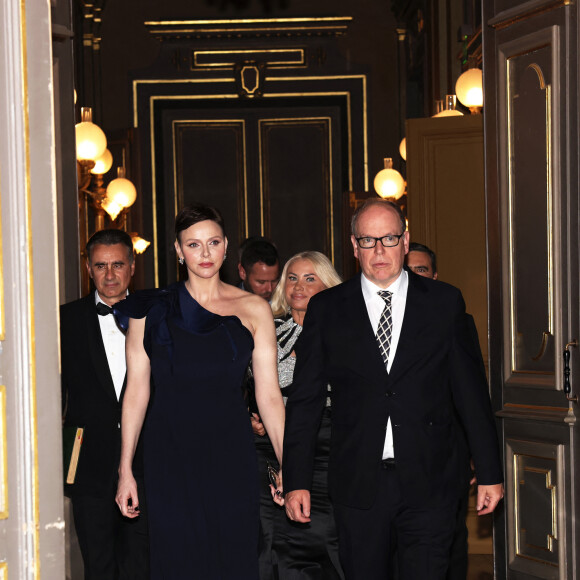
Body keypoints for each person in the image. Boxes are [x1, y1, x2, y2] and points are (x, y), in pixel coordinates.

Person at [283, 198, 504, 579]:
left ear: (405, 239)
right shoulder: (329, 308)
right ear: (354, 247)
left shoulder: (444, 302)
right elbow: (306, 400)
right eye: (368, 241)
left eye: (388, 238)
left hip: (432, 478)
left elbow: (471, 394)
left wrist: (489, 471)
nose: (379, 250)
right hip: (358, 483)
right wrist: (296, 480)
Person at [114, 204, 285, 579]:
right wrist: (125, 468)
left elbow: (269, 395)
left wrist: (287, 461)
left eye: (213, 243)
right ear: (178, 250)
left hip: (231, 454)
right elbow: (136, 392)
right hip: (168, 455)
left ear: (226, 248)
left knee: (233, 559)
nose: (204, 254)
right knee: (178, 562)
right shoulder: (149, 310)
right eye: (193, 245)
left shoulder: (254, 309)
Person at [248, 251, 345, 580]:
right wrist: (251, 414)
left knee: (322, 540)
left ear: (328, 285)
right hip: (266, 452)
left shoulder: (345, 334)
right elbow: (247, 387)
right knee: (268, 542)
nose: (298, 286)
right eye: (292, 278)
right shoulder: (265, 331)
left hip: (325, 449)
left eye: (309, 278)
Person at [60, 229, 149, 579]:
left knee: (144, 566)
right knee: (97, 567)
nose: (109, 275)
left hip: (146, 460)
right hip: (86, 464)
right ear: (88, 268)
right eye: (100, 266)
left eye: (117, 265)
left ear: (131, 267)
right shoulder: (63, 321)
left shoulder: (156, 317)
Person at [405, 241, 483, 580]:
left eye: (421, 270)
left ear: (434, 276)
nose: (414, 277)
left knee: (450, 540)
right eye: (408, 271)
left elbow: (473, 392)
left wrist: (477, 453)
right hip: (395, 457)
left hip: (449, 453)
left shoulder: (457, 319)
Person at [238, 236, 281, 300]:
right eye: (261, 282)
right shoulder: (228, 305)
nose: (269, 289)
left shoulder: (286, 304)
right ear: (243, 273)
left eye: (274, 281)